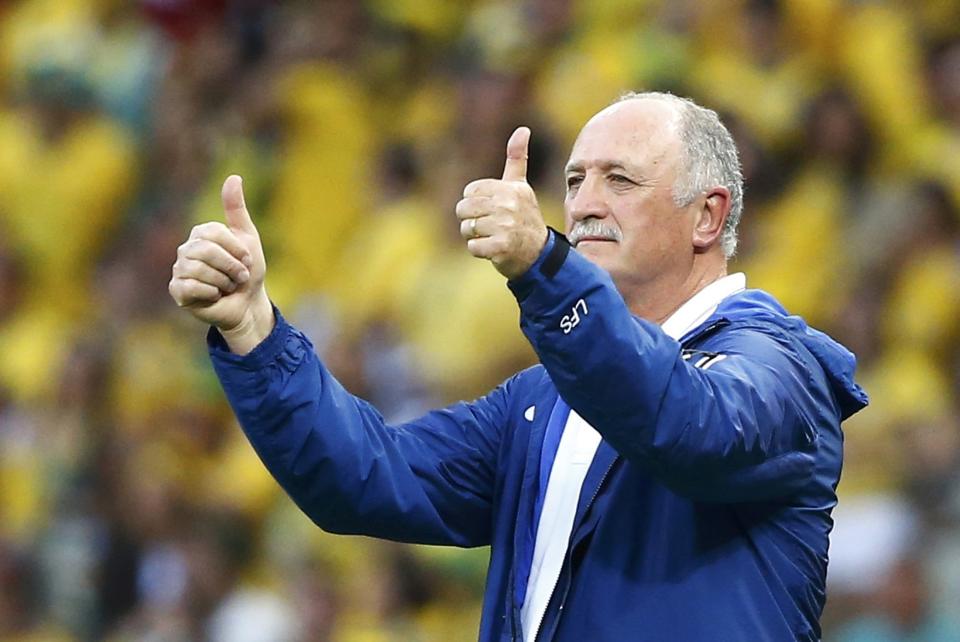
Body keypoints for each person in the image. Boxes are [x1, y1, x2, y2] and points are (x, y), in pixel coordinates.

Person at [169, 91, 868, 641]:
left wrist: (547, 270)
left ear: (708, 218)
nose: (586, 205)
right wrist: (254, 331)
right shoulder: (544, 401)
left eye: (620, 180)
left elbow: (685, 425)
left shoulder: (780, 365)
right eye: (575, 180)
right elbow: (364, 477)